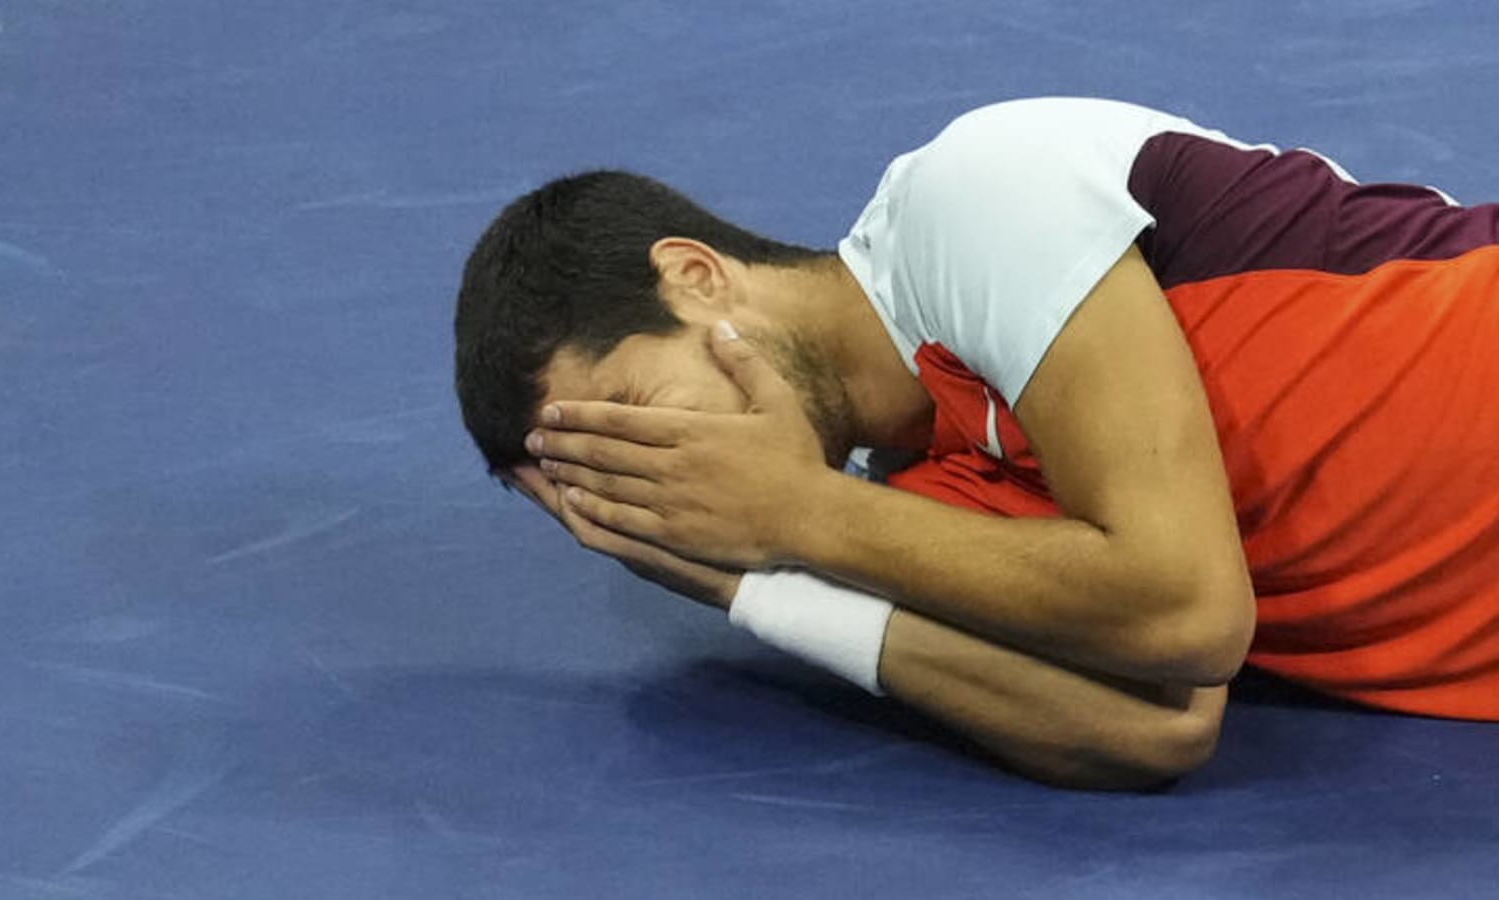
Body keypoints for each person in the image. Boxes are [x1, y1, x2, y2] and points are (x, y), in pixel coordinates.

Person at [453, 97, 1499, 789]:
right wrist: (748, 586)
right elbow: (1155, 728)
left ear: (696, 276)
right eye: (620, 476)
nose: (673, 474)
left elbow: (1188, 611)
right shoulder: (905, 518)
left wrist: (798, 514)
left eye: (642, 413)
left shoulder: (968, 201)